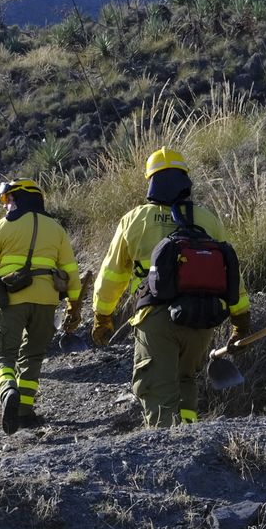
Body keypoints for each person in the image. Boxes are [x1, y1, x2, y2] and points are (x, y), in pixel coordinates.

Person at [91, 148, 251, 427]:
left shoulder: (135, 220)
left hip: (156, 319)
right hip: (202, 318)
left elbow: (112, 274)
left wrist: (102, 315)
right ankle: (189, 435)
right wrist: (240, 320)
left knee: (156, 389)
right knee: (185, 380)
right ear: (185, 180)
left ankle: (166, 446)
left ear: (151, 181)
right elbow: (231, 272)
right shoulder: (207, 219)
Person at [0, 178, 82, 433]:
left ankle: (7, 390)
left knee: (3, 355)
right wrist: (74, 307)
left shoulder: (3, 226)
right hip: (47, 301)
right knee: (33, 356)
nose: (5, 205)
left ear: (21, 198)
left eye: (8, 199)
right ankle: (24, 412)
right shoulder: (56, 229)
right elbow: (71, 273)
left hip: (12, 300)